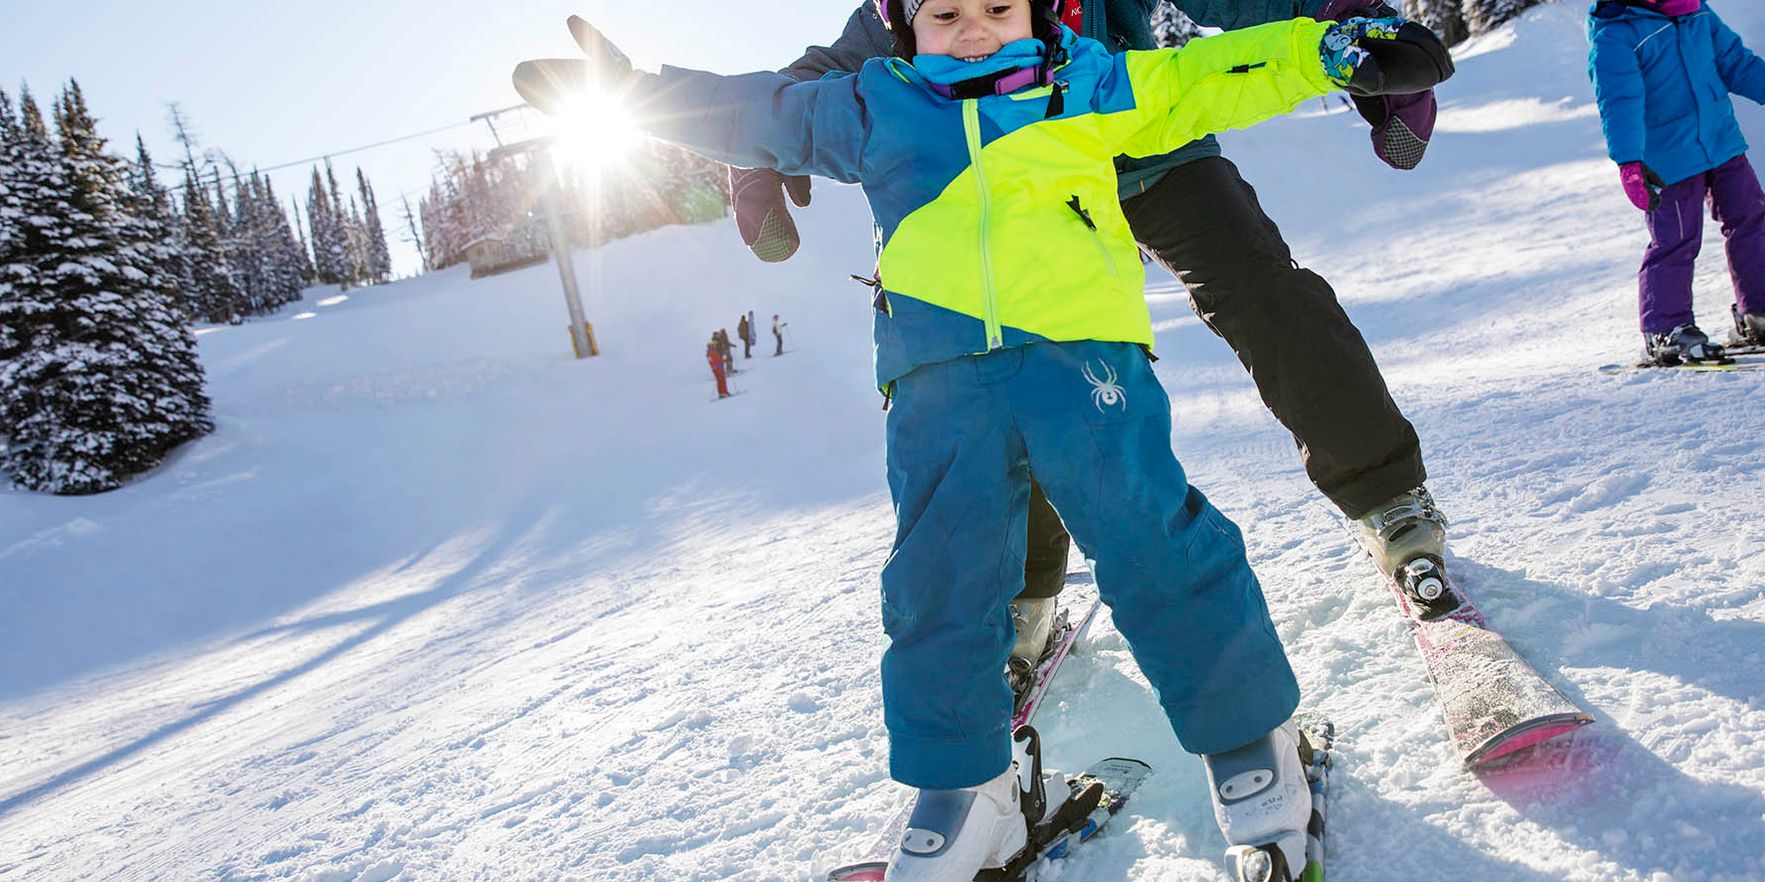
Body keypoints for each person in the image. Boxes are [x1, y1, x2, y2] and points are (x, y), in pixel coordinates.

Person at [515, 3, 1449, 878]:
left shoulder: (1089, 73)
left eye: (994, 9)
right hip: (955, 290)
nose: (969, 29)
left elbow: (1214, 61)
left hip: (1113, 127)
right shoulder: (887, 89)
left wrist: (1345, 38)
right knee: (960, 510)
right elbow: (805, 90)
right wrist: (671, 111)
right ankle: (1012, 639)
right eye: (945, 13)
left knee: (1239, 324)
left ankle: (1378, 511)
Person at [730, 0, 1464, 654]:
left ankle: (1387, 496)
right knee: (1008, 349)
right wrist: (755, 150)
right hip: (1028, 185)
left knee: (1262, 290)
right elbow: (826, 72)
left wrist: (1348, 25)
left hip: (1151, 149)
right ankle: (1026, 588)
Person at [1587, 0, 1765, 365]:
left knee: (1751, 215)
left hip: (1721, 142)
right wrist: (1630, 162)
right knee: (1675, 239)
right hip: (1668, 158)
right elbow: (1619, 102)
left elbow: (1734, 60)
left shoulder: (1696, 11)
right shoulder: (1617, 32)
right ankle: (1665, 329)